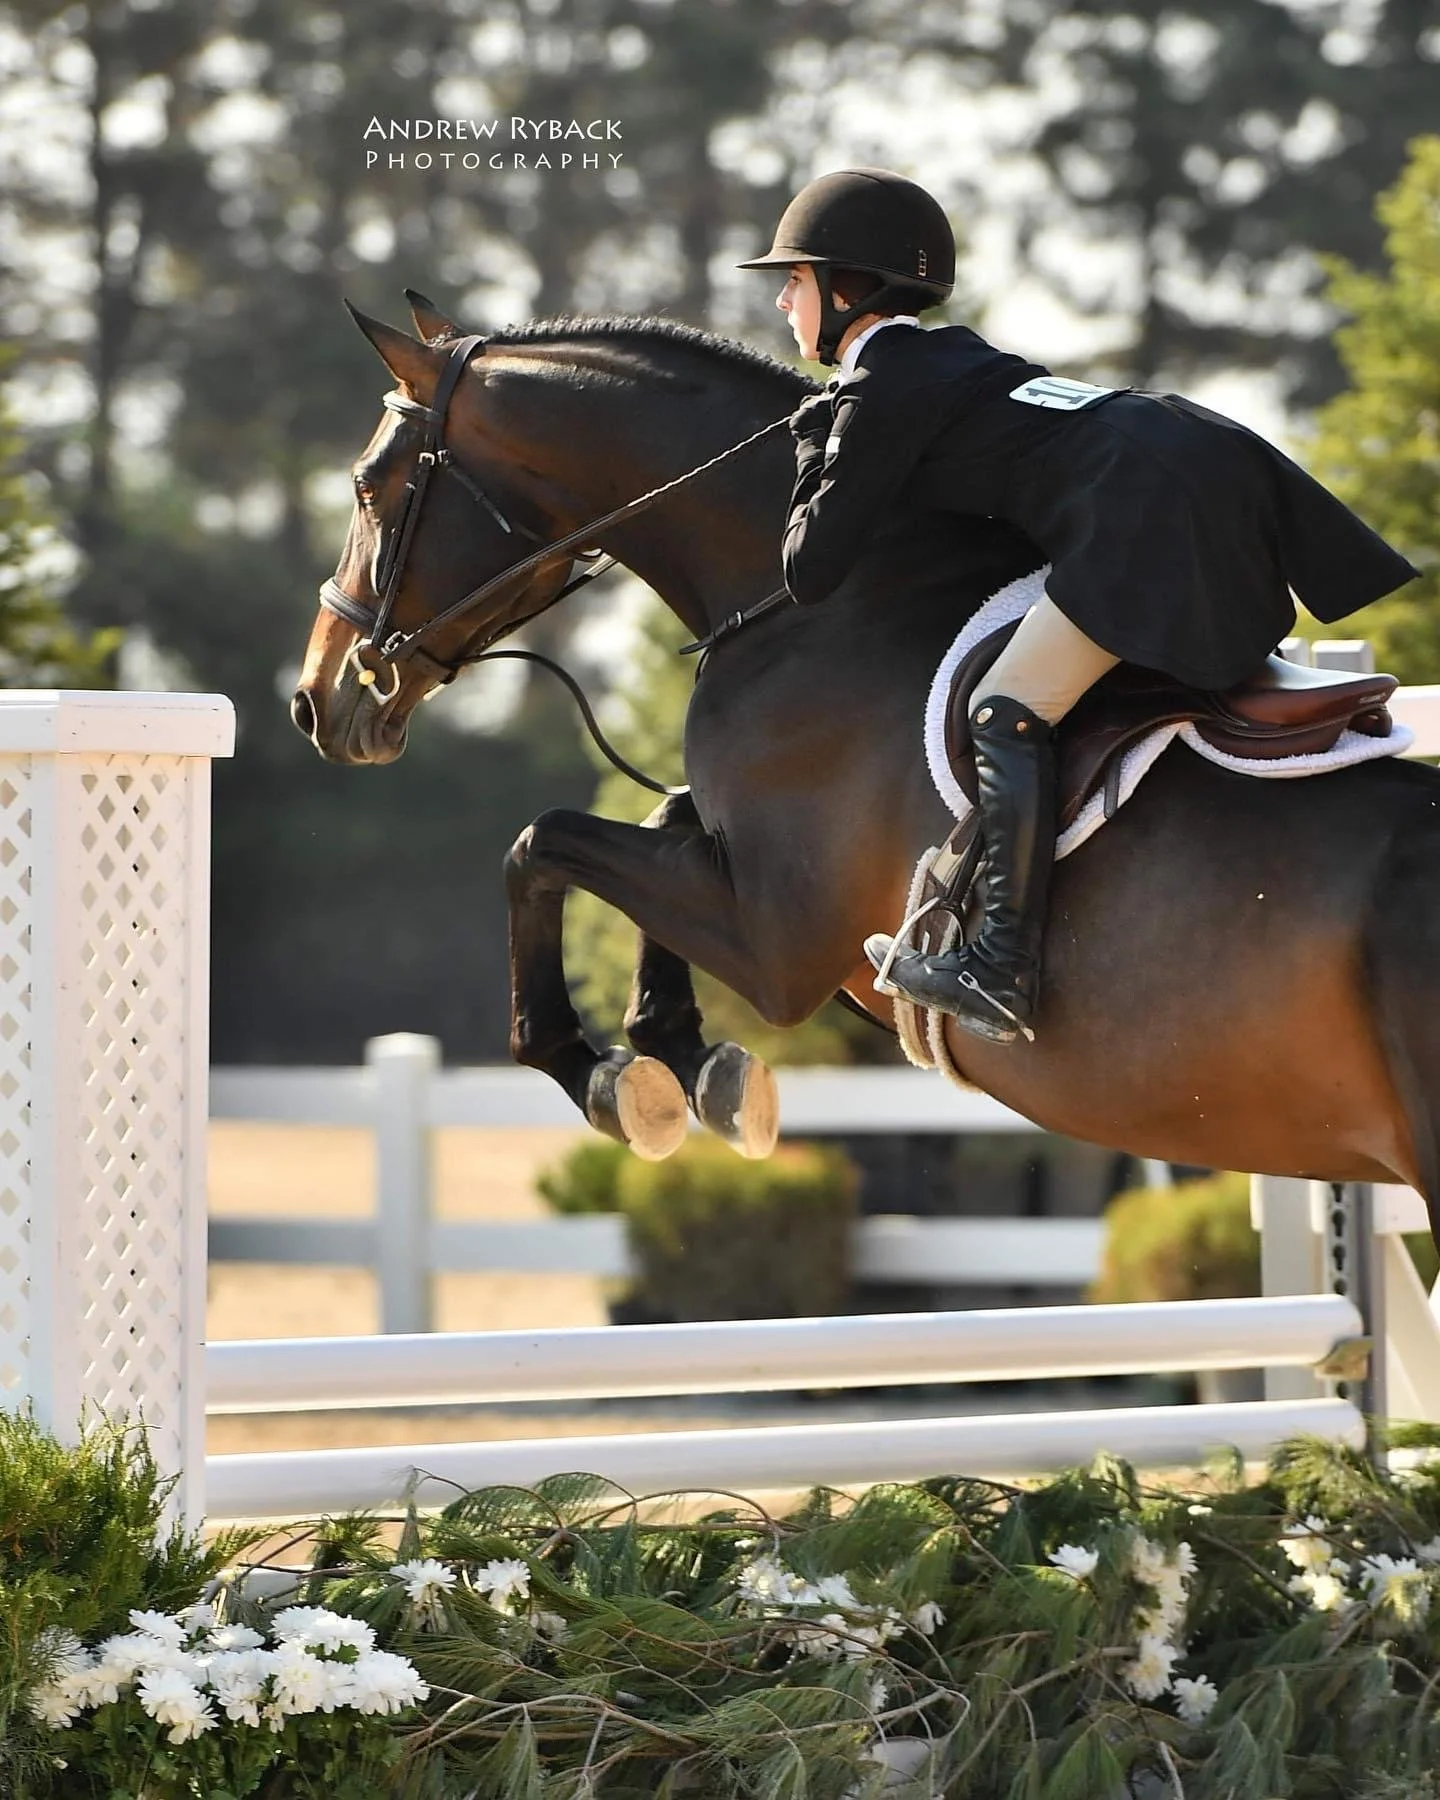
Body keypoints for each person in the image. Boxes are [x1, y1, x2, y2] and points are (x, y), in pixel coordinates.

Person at [738, 167, 1419, 1045]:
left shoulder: (876, 390)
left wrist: (809, 440)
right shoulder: (957, 355)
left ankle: (996, 969)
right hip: (1202, 452)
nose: (783, 304)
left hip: (1146, 507)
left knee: (1007, 707)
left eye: (792, 283)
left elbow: (809, 569)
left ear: (843, 289)